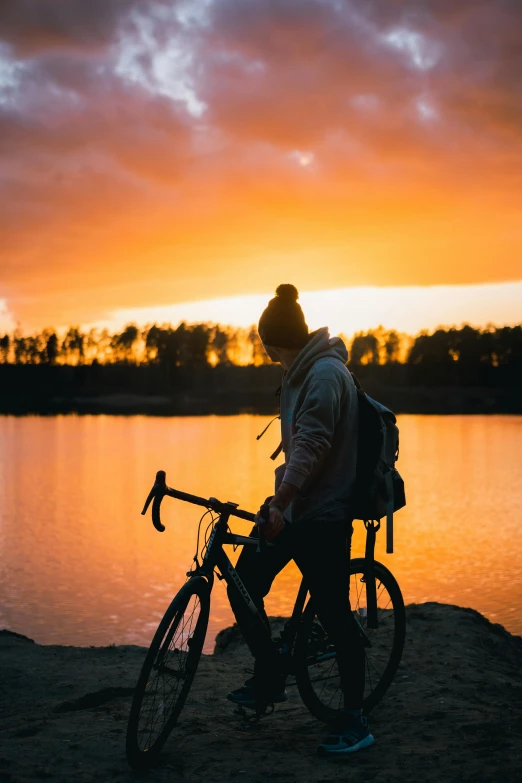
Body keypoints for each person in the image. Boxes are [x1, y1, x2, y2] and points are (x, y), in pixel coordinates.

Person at [226, 283, 373, 755]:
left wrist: (282, 497)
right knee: (243, 581)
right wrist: (281, 503)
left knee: (334, 614)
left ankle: (355, 720)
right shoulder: (297, 371)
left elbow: (312, 444)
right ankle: (270, 675)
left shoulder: (325, 375)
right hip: (293, 507)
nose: (264, 352)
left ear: (272, 340)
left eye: (263, 343)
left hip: (326, 513)